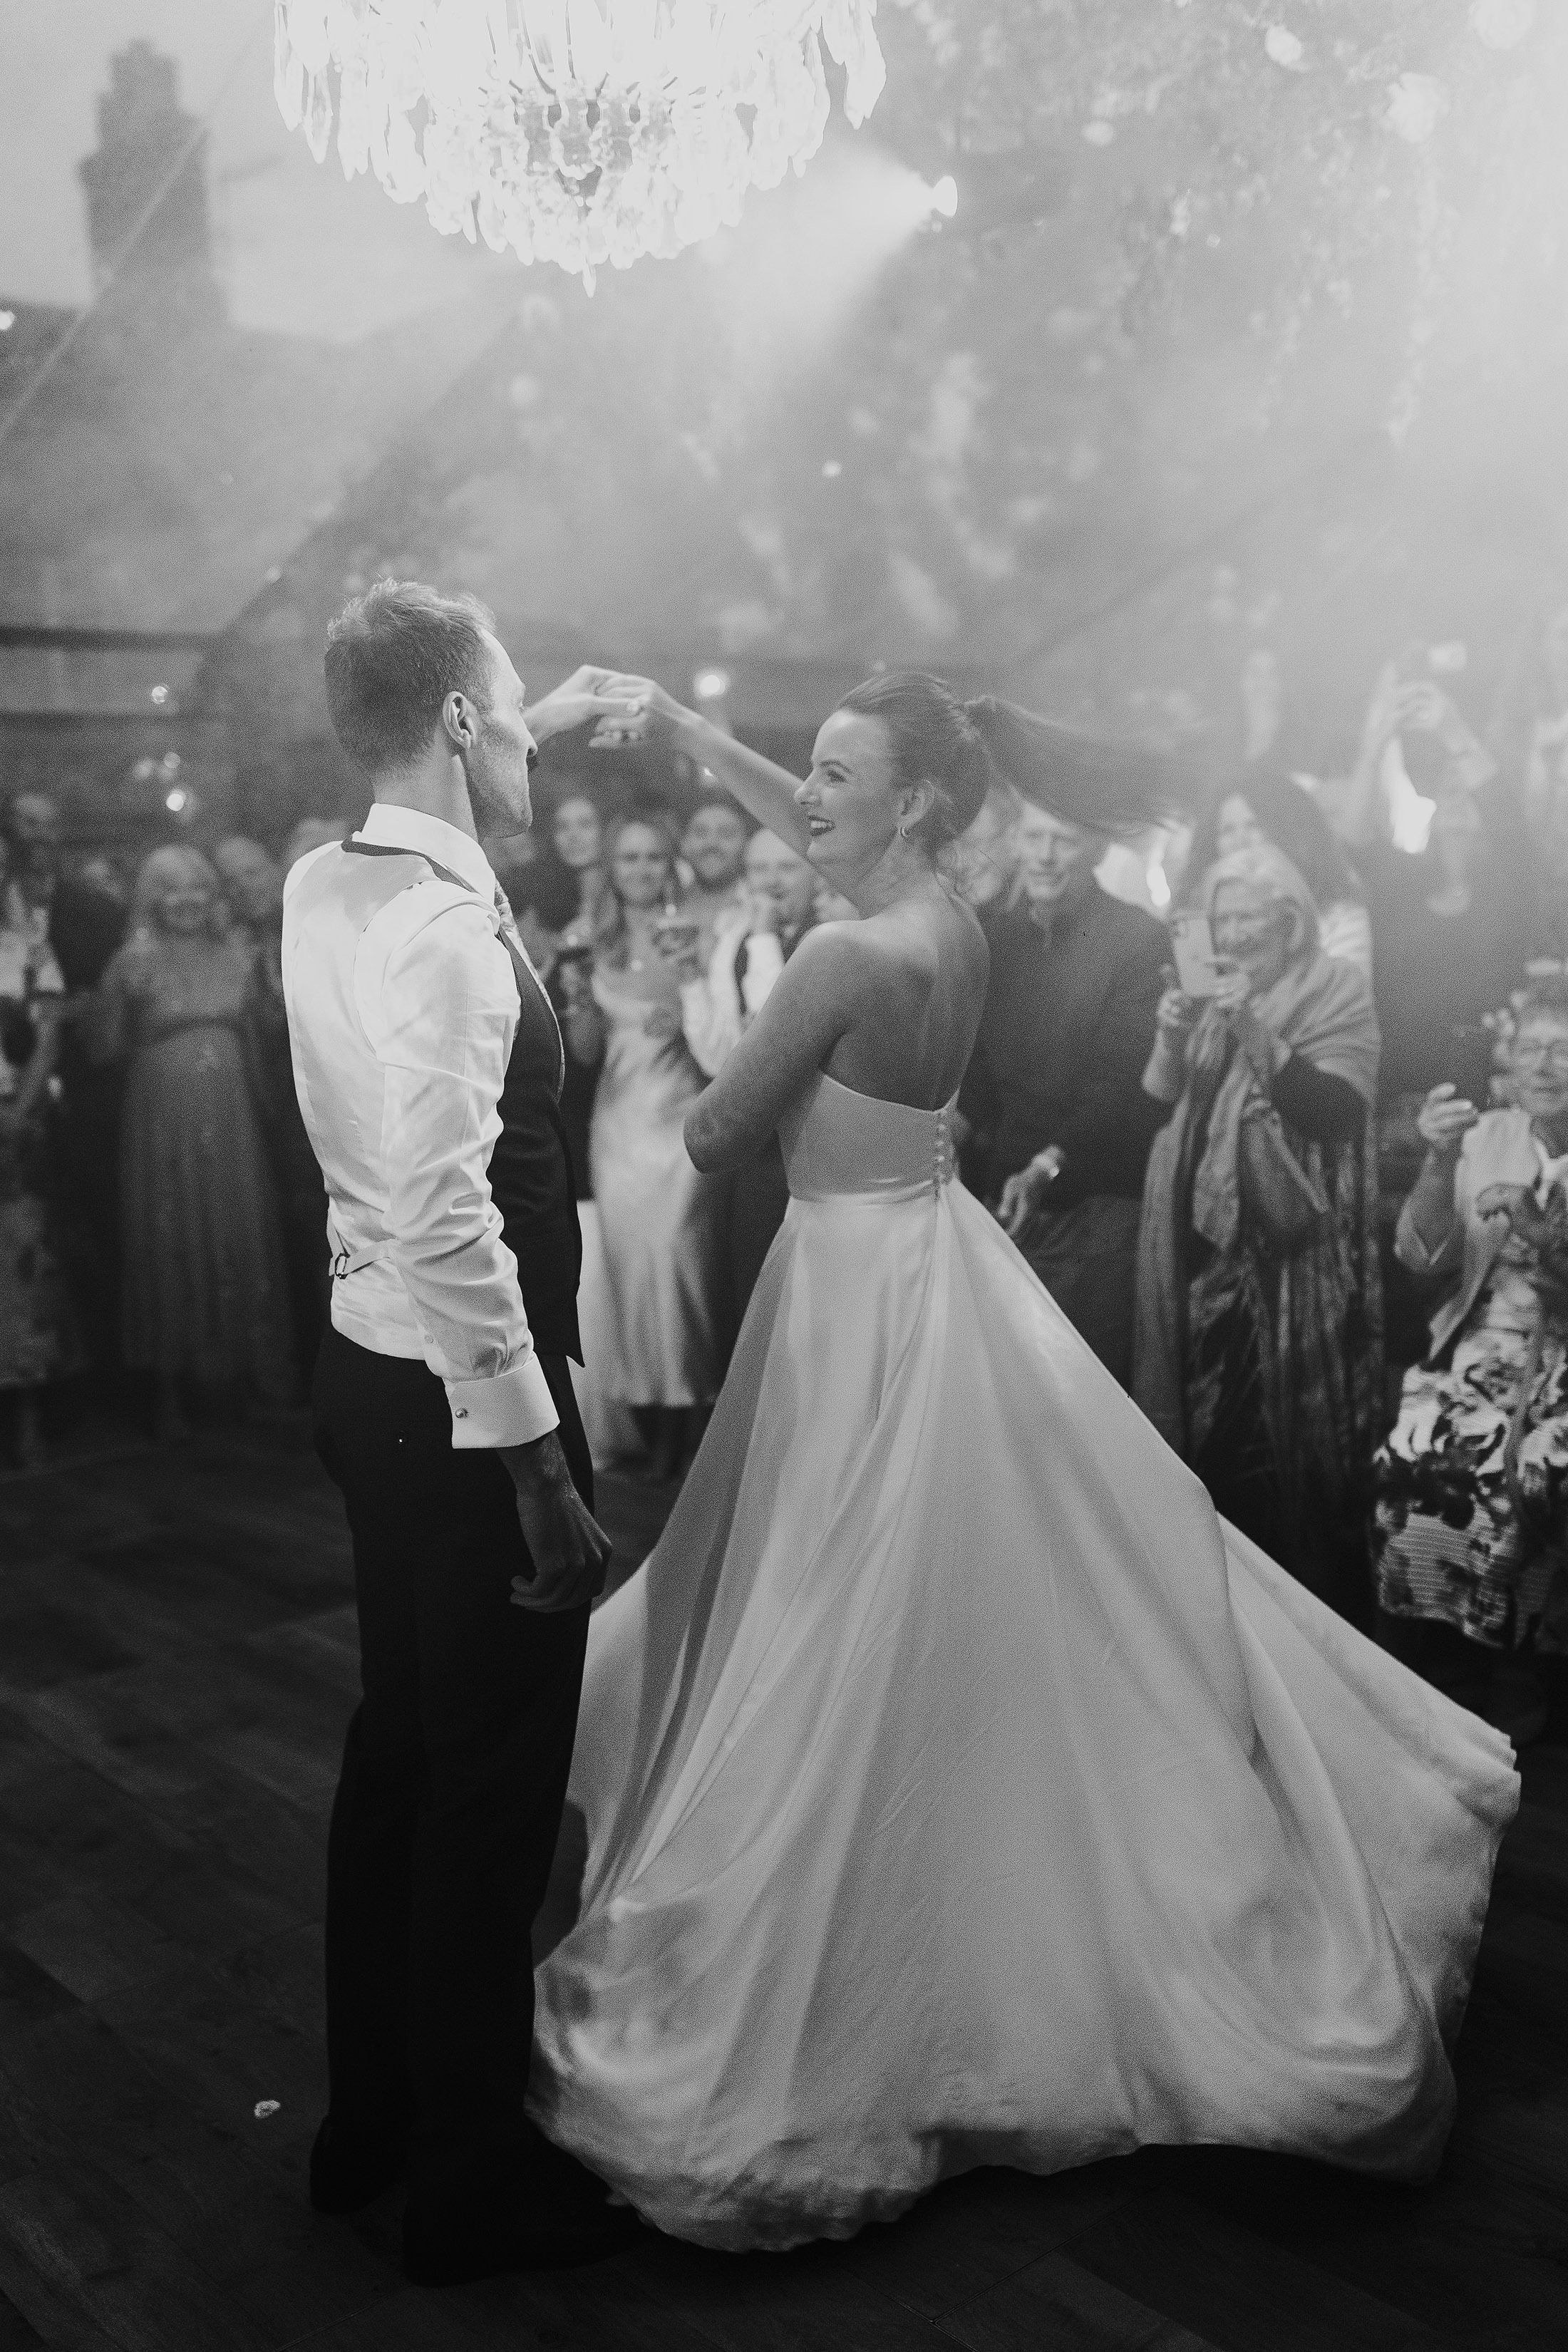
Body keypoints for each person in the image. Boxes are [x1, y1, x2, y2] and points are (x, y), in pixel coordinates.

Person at [522, 664, 1517, 2254]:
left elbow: (714, 1139)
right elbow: (823, 832)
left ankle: (863, 1923)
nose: (811, 791)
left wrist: (658, 1023)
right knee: (968, 1575)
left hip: (851, 1286)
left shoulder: (842, 951)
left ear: (909, 799)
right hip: (934, 1255)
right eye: (812, 770)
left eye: (839, 774)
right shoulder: (949, 917)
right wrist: (694, 733)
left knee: (837, 1592)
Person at [281, 580, 634, 2286]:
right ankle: (471, 2179)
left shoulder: (326, 877)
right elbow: (445, 1213)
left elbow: (369, 1182)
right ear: (465, 723)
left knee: (400, 1755)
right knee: (488, 1792)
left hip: (363, 1378)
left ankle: (369, 2125)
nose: (523, 725)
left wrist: (520, 701)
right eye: (504, 702)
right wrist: (545, 1470)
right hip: (460, 1402)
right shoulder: (446, 928)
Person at [1135, 844, 1383, 1614]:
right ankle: (1221, 1611)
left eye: (1247, 917)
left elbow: (1335, 1111)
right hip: (1206, 1253)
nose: (1234, 934)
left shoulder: (1335, 986)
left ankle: (1298, 1621)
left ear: (1289, 919)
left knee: (1273, 1454)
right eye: (1222, 919)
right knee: (1211, 1443)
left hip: (1291, 1261)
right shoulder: (1208, 993)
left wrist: (1252, 1029)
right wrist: (1173, 1032)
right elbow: (1160, 1096)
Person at [956, 701, 1174, 1388]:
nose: (1047, 856)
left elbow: (1126, 1090)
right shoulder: (991, 936)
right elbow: (979, 1082)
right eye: (1036, 837)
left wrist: (1048, 1166)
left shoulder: (1135, 940)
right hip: (1002, 1196)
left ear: (1098, 850)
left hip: (1099, 1199)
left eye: (1066, 840)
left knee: (1081, 1393)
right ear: (1016, 842)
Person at [1373, 986, 1568, 1722]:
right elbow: (1424, 1257)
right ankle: (1431, 1653)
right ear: (1508, 1063)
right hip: (1483, 1338)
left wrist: (1544, 1231)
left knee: (1532, 1467)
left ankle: (1521, 1665)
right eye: (1529, 1049)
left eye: (1561, 1047)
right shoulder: (1485, 1135)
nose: (1544, 1064)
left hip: (1562, 1353)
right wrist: (1437, 1158)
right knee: (1413, 1457)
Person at [90, 846, 294, 1440]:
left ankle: (254, 1382)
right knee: (170, 1229)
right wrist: (108, 1000)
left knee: (238, 1228)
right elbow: (103, 1050)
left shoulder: (241, 956)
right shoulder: (131, 960)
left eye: (198, 888)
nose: (186, 901)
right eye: (171, 889)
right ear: (151, 898)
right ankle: (170, 1394)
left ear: (214, 895)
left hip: (235, 1116)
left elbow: (272, 1036)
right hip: (161, 1120)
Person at [562, 812, 721, 1481]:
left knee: (682, 1272)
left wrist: (692, 994)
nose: (642, 869)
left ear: (670, 864)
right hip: (618, 1129)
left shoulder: (698, 936)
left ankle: (690, 1432)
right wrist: (576, 1003)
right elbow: (588, 1056)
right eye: (629, 858)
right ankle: (650, 1428)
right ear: (614, 868)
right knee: (631, 1277)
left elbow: (722, 1037)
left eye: (654, 857)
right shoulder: (590, 942)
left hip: (681, 1127)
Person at [672, 826, 819, 1344]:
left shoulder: (831, 937)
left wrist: (761, 939)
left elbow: (778, 1042)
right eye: (760, 869)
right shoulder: (738, 940)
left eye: (786, 867)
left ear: (813, 870)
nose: (772, 881)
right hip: (758, 1155)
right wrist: (691, 979)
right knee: (754, 1301)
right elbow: (721, 1058)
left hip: (815, 1148)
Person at [215, 837, 331, 1388]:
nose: (247, 887)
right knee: (295, 1238)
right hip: (270, 1114)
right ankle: (314, 1366)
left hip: (333, 1104)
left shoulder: (317, 924)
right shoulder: (234, 949)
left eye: (253, 872)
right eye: (232, 881)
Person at [0, 832, 83, 1466]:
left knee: (24, 1271)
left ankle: (27, 1421)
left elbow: (50, 1032)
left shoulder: (27, 946)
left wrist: (18, 1117)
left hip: (16, 1129)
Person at [1185, 767, 1371, 975]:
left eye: (1254, 825)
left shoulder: (1339, 921)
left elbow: (1341, 996)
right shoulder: (1202, 924)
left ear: (1289, 834)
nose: (1240, 841)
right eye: (1227, 830)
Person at [678, 792, 750, 948]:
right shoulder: (669, 908)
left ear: (746, 843)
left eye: (726, 834)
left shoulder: (759, 908)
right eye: (701, 834)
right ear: (684, 843)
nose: (712, 844)